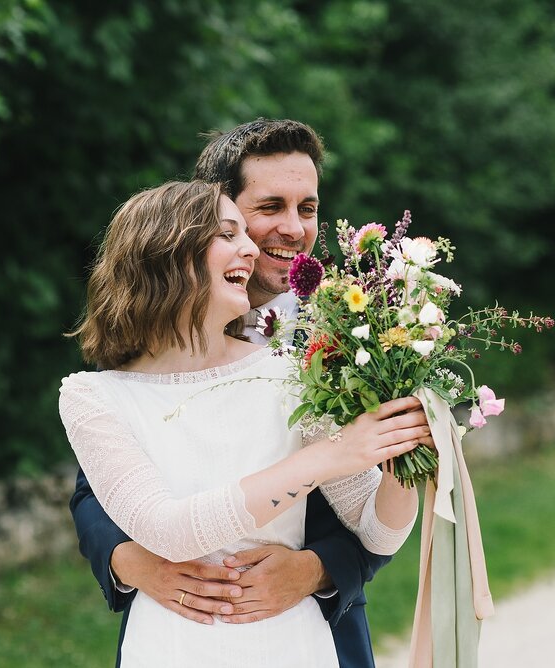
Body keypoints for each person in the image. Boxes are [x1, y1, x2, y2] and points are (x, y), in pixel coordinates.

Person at [60, 180, 431, 666]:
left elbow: (377, 533)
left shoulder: (295, 373)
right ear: (167, 250)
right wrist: (330, 457)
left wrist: (396, 461)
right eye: (228, 234)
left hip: (293, 646)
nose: (252, 250)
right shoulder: (93, 397)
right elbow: (170, 532)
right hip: (171, 647)